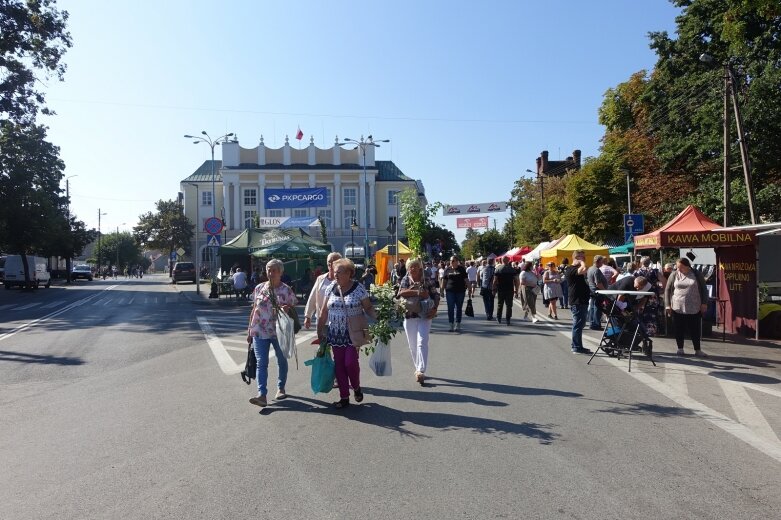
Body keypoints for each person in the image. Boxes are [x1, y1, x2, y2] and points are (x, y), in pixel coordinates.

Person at [317, 258, 376, 409]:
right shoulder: (331, 287)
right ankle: (344, 397)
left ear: (349, 273)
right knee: (339, 366)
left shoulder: (358, 288)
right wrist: (319, 330)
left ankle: (356, 386)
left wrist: (378, 317)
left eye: (339, 272)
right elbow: (324, 311)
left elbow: (368, 307)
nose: (335, 275)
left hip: (353, 333)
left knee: (350, 362)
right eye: (335, 272)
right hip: (335, 333)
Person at [247, 259, 298, 408]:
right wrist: (249, 330)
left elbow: (294, 305)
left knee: (281, 360)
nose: (271, 273)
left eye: (274, 270)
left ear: (281, 272)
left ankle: (281, 387)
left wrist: (286, 308)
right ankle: (261, 394)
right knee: (261, 362)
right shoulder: (259, 288)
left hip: (279, 331)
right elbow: (254, 309)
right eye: (269, 270)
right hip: (259, 330)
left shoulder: (286, 290)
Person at [397, 258, 440, 384]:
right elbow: (400, 293)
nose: (413, 269)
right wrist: (418, 292)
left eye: (415, 266)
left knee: (422, 341)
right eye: (410, 266)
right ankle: (418, 367)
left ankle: (421, 370)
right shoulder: (406, 279)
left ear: (420, 267)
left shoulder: (426, 278)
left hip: (425, 314)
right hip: (409, 314)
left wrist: (435, 309)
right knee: (412, 344)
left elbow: (435, 295)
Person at [664, 257, 709, 357]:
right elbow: (667, 290)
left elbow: (704, 289)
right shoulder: (674, 274)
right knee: (678, 328)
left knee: (695, 329)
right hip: (677, 306)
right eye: (677, 267)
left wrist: (704, 303)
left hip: (694, 306)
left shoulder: (696, 274)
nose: (679, 269)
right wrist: (667, 305)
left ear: (687, 266)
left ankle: (697, 350)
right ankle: (680, 348)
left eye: (681, 267)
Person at [303, 252, 342, 330]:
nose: (331, 264)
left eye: (333, 262)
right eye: (329, 262)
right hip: (322, 321)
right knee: (323, 342)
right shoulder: (320, 279)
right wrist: (308, 316)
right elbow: (312, 297)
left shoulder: (343, 279)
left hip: (339, 322)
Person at [566, 249, 593, 354]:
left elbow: (585, 271)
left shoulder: (578, 269)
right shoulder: (571, 269)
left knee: (580, 325)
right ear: (576, 258)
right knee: (577, 324)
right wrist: (581, 262)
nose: (584, 259)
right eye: (582, 257)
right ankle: (576, 347)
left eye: (584, 257)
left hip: (582, 300)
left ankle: (578, 346)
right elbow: (584, 268)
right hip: (577, 300)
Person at [442, 255, 468, 332]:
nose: (451, 262)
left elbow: (466, 279)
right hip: (450, 291)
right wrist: (441, 290)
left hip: (460, 291)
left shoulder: (462, 269)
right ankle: (451, 324)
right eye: (450, 261)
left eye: (453, 261)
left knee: (459, 308)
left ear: (457, 261)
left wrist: (469, 288)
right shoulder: (447, 270)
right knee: (450, 308)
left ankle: (458, 323)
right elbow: (444, 281)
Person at [492, 256, 519, 325]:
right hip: (510, 289)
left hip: (501, 289)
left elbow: (495, 281)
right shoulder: (512, 270)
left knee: (500, 304)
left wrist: (493, 289)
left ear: (502, 261)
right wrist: (516, 290)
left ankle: (499, 318)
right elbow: (516, 281)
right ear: (508, 260)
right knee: (509, 305)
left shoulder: (498, 269)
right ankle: (508, 319)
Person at [587, 255, 608, 330]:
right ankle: (596, 324)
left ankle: (592, 323)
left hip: (593, 291)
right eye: (601, 262)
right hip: (598, 292)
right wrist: (605, 291)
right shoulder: (596, 270)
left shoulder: (590, 268)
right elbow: (598, 283)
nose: (602, 263)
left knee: (593, 308)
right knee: (597, 308)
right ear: (597, 262)